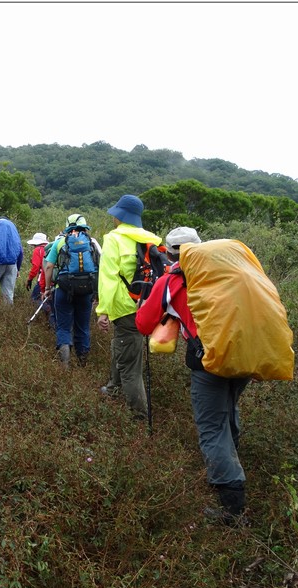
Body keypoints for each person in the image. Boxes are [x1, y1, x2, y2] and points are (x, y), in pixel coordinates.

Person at [135, 226, 250, 525]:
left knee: (211, 428)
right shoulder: (228, 269)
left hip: (209, 360)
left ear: (171, 253)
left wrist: (160, 305)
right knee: (228, 410)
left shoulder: (172, 279)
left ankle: (232, 507)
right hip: (246, 352)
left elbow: (144, 324)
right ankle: (228, 465)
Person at [95, 194, 162, 420]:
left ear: (119, 216)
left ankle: (139, 417)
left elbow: (108, 278)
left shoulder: (114, 239)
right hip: (149, 306)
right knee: (122, 347)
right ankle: (113, 389)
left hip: (126, 308)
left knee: (130, 367)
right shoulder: (152, 240)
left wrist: (102, 310)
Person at [43, 215, 100, 368]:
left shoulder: (60, 242)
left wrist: (48, 288)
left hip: (63, 289)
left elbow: (48, 267)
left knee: (63, 326)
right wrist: (98, 293)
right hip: (86, 291)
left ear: (68, 225)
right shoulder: (92, 242)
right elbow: (100, 267)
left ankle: (65, 364)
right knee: (83, 326)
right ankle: (83, 364)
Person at [25, 232, 49, 304]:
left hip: (43, 277)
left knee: (34, 298)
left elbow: (36, 267)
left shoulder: (38, 250)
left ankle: (48, 310)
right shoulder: (50, 248)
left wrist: (29, 279)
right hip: (52, 277)